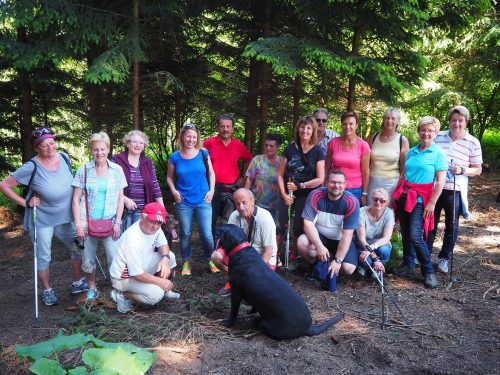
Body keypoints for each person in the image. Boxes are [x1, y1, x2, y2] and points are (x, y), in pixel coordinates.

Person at [0, 127, 87, 306]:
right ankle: (48, 290)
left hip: (67, 215)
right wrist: (26, 203)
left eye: (52, 143)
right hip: (42, 219)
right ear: (37, 148)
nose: (50, 148)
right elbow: (4, 185)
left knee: (78, 246)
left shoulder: (64, 158)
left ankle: (77, 283)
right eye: (45, 145)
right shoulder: (31, 166)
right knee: (44, 256)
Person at [426, 106, 483, 273]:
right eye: (454, 120)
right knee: (430, 222)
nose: (457, 124)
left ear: (466, 122)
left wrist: (463, 170)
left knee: (451, 225)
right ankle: (425, 254)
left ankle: (444, 258)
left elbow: (478, 169)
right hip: (435, 187)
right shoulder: (439, 136)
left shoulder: (472, 142)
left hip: (455, 189)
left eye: (460, 121)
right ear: (449, 121)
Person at [393, 116, 447, 289]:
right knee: (406, 233)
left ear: (436, 133)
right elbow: (404, 173)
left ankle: (428, 271)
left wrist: (432, 203)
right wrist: (397, 192)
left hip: (420, 199)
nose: (426, 133)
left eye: (430, 130)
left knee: (416, 235)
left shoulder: (438, 154)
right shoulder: (412, 151)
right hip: (404, 195)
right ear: (419, 131)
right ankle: (408, 264)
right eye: (423, 130)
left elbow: (440, 181)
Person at [72, 131, 127, 301]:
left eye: (103, 149)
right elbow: (75, 199)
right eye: (96, 149)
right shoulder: (84, 170)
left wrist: (118, 222)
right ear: (91, 150)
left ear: (108, 149)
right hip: (86, 223)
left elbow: (120, 199)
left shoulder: (117, 170)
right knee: (87, 259)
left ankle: (116, 287)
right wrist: (79, 226)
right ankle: (91, 287)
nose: (99, 153)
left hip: (110, 222)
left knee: (114, 257)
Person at [109, 202, 179, 314]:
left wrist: (165, 259)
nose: (155, 227)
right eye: (152, 222)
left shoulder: (155, 227)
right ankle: (121, 294)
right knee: (156, 295)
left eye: (159, 223)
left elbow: (163, 245)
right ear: (142, 217)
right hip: (124, 277)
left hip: (141, 266)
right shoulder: (133, 239)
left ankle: (164, 289)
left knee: (170, 256)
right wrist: (160, 281)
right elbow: (136, 274)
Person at [167, 124, 217, 276]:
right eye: (188, 136)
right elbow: (169, 177)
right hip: (184, 201)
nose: (191, 139)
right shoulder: (175, 157)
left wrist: (212, 190)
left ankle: (211, 259)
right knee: (186, 233)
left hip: (203, 199)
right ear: (182, 136)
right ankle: (186, 262)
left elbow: (211, 174)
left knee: (206, 234)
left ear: (197, 138)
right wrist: (174, 191)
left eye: (194, 137)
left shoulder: (203, 153)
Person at [211, 188, 278, 297]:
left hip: (261, 259)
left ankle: (242, 281)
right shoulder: (234, 215)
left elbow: (268, 252)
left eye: (244, 203)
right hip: (242, 255)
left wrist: (253, 271)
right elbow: (226, 238)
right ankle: (234, 279)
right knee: (215, 256)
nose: (241, 207)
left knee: (253, 291)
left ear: (253, 201)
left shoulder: (264, 218)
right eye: (237, 204)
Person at [277, 116, 325, 265]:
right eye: (302, 127)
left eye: (309, 128)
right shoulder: (290, 148)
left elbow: (320, 178)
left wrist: (301, 186)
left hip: (306, 193)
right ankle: (276, 254)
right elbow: (280, 174)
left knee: (299, 225)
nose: (305, 130)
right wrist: (284, 194)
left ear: (313, 131)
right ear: (298, 129)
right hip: (288, 191)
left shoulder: (318, 151)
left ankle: (293, 254)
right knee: (280, 223)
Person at [297, 170, 359, 278]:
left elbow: (347, 235)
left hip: (340, 239)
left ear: (345, 185)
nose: (336, 185)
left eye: (340, 183)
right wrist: (319, 246)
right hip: (321, 236)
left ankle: (334, 266)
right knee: (302, 242)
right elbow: (307, 224)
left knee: (348, 269)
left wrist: (338, 260)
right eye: (333, 182)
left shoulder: (351, 202)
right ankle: (314, 265)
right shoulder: (315, 195)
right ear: (326, 182)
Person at [203, 114, 252, 244]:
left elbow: (248, 159)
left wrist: (243, 175)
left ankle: (223, 246)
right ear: (218, 128)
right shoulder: (208, 143)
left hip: (231, 189)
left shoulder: (238, 145)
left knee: (228, 220)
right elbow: (197, 157)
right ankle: (210, 248)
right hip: (212, 189)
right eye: (222, 126)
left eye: (228, 126)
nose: (225, 129)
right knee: (210, 220)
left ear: (232, 128)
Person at [111, 130, 164, 232]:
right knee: (123, 242)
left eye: (141, 143)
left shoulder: (148, 162)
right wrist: (125, 199)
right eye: (135, 142)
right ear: (128, 143)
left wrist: (162, 209)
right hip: (121, 211)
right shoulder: (117, 160)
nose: (138, 145)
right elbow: (110, 184)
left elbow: (155, 186)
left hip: (144, 211)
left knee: (141, 242)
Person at [325, 111, 370, 205]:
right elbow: (327, 166)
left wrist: (365, 194)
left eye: (351, 124)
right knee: (333, 217)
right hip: (334, 187)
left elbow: (366, 172)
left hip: (354, 189)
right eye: (345, 124)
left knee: (351, 218)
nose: (348, 127)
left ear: (356, 125)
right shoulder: (333, 143)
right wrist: (323, 184)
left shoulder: (363, 145)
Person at [367, 108, 409, 205]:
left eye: (393, 118)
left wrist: (399, 186)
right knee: (370, 211)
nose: (389, 121)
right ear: (383, 120)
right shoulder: (374, 137)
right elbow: (366, 161)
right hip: (372, 181)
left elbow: (404, 168)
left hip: (391, 184)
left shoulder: (402, 140)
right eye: (387, 118)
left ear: (398, 121)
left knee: (388, 213)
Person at [356, 188, 395, 277]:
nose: (378, 202)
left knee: (384, 250)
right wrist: (375, 258)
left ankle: (379, 266)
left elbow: (386, 238)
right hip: (363, 245)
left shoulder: (389, 213)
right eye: (375, 199)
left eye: (382, 201)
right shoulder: (361, 212)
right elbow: (361, 239)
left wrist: (372, 247)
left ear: (387, 202)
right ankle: (367, 266)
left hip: (379, 244)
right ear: (371, 199)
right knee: (366, 262)